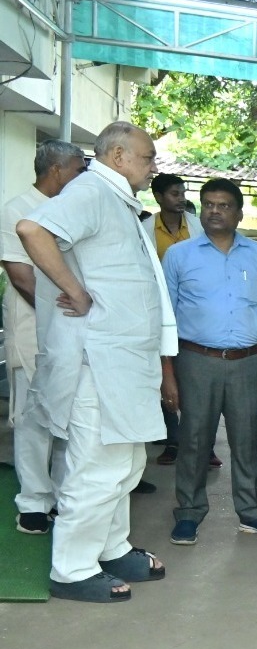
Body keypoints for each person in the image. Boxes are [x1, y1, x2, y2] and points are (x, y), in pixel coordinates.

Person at [16, 121, 176, 603]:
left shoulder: (117, 199)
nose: (153, 166)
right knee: (97, 469)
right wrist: (75, 290)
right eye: (148, 158)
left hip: (123, 363)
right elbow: (32, 229)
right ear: (119, 156)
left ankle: (111, 547)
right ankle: (73, 568)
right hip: (97, 364)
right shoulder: (90, 190)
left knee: (124, 466)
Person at [162, 178, 257, 546]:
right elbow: (165, 313)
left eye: (224, 205)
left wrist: (250, 333)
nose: (215, 210)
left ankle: (251, 512)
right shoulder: (179, 255)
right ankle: (189, 513)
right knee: (195, 439)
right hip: (197, 360)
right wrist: (167, 372)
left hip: (248, 362)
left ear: (238, 212)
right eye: (209, 204)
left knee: (247, 439)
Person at [2, 140, 87, 534]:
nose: (81, 176)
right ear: (56, 170)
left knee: (68, 412)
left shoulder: (73, 208)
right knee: (34, 418)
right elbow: (21, 277)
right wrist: (60, 316)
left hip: (73, 326)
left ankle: (62, 495)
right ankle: (34, 502)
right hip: (34, 325)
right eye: (77, 169)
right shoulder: (16, 209)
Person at [149, 173, 204, 468]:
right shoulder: (146, 230)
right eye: (173, 193)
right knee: (165, 377)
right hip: (158, 312)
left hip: (193, 315)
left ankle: (203, 446)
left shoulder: (197, 228)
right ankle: (173, 440)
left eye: (182, 192)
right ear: (158, 197)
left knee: (196, 381)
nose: (181, 198)